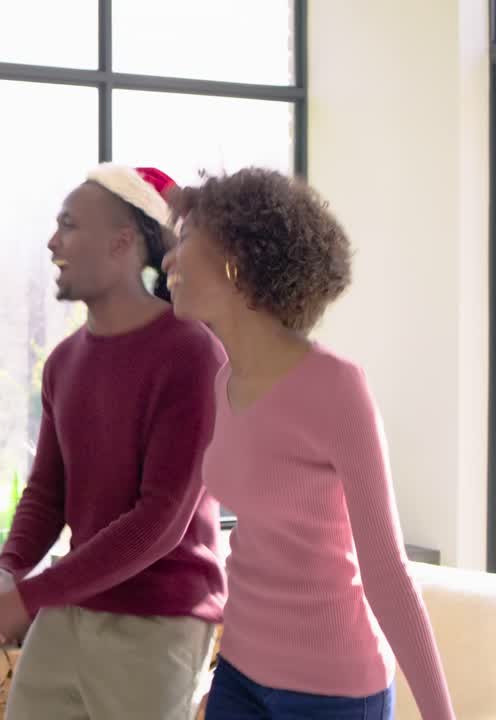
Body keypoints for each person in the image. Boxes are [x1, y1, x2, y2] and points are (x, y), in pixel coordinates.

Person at [162, 167, 453, 719]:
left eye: (184, 241)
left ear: (234, 262)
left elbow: (387, 573)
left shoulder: (336, 388)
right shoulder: (224, 380)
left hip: (334, 693)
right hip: (241, 676)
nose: (170, 261)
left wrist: (443, 716)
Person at [0, 165, 227, 719]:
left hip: (160, 622)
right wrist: (7, 567)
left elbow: (160, 521)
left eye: (69, 226)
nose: (52, 242)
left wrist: (27, 597)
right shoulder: (63, 363)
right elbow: (47, 493)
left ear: (122, 243)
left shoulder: (192, 354)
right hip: (70, 608)